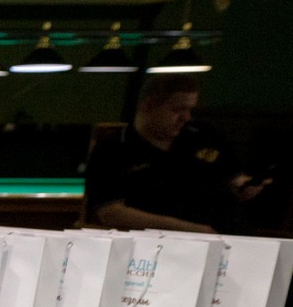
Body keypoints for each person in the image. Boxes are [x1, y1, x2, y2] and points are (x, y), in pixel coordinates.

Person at [85, 76, 265, 234]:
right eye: (177, 110)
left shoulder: (203, 137)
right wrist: (191, 230)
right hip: (163, 243)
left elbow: (233, 176)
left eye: (190, 110)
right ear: (149, 106)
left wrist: (243, 185)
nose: (186, 117)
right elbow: (110, 213)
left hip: (233, 235)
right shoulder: (112, 150)